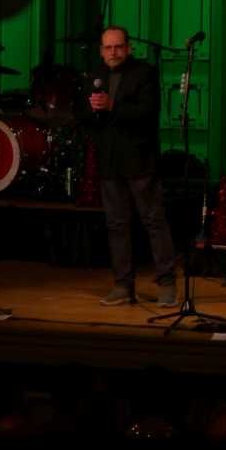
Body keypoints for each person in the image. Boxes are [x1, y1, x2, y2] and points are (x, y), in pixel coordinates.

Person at [78, 26, 177, 307]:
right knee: (116, 225)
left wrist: (112, 106)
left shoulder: (144, 73)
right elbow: (82, 114)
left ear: (128, 48)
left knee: (153, 221)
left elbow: (147, 111)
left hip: (140, 160)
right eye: (108, 48)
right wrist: (92, 110)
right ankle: (123, 285)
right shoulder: (95, 76)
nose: (113, 52)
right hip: (109, 162)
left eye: (118, 47)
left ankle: (167, 284)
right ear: (101, 51)